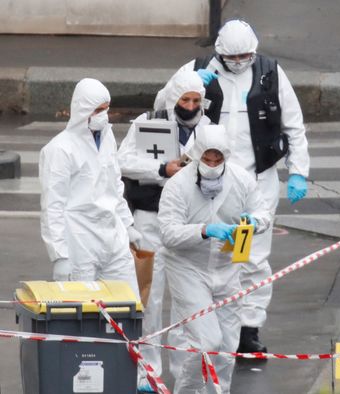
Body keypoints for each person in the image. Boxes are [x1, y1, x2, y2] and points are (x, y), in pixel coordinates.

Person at [155, 19, 310, 353]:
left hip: (256, 178)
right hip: (209, 177)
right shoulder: (197, 69)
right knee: (204, 253)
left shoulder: (271, 73)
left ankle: (248, 329)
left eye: (246, 56)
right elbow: (161, 104)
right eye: (233, 57)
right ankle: (201, 324)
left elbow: (294, 126)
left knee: (253, 257)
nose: (240, 62)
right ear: (220, 53)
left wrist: (298, 171)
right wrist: (190, 85)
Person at [158, 124, 271, 393]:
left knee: (227, 349)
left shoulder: (241, 180)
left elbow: (262, 211)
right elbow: (168, 233)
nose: (211, 165)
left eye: (217, 159)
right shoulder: (178, 185)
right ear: (197, 155)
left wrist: (254, 222)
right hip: (188, 269)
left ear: (226, 157)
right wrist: (205, 230)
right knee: (207, 343)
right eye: (206, 159)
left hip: (228, 268)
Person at [117, 70, 209, 391]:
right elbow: (123, 161)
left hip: (186, 224)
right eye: (185, 100)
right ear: (173, 99)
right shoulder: (149, 121)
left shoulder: (209, 129)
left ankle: (185, 371)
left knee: (186, 300)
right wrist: (162, 169)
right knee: (149, 299)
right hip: (149, 219)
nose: (191, 106)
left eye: (196, 100)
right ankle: (146, 372)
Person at [39, 78, 139, 295]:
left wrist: (127, 223)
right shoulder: (60, 149)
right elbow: (52, 206)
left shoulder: (107, 137)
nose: (104, 115)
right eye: (98, 110)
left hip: (113, 236)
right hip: (79, 241)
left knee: (127, 302)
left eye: (106, 109)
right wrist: (59, 255)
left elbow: (114, 183)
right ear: (83, 110)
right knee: (82, 312)